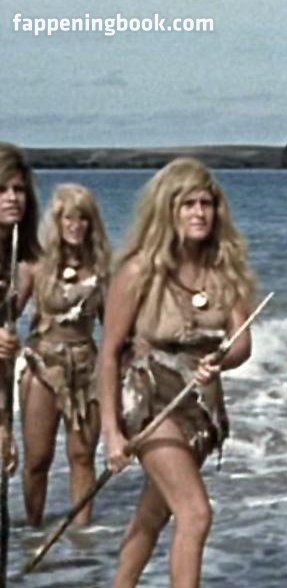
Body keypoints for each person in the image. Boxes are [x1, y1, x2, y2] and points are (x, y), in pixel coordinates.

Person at [100, 157, 256, 587]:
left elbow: (242, 341)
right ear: (167, 210)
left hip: (200, 406)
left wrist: (221, 360)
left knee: (155, 512)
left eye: (206, 203)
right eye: (187, 204)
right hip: (149, 399)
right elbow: (109, 353)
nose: (199, 213)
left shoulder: (224, 271)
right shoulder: (138, 272)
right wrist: (111, 432)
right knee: (196, 513)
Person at [19, 183, 109, 526]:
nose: (76, 225)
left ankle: (82, 538)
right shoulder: (35, 265)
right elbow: (9, 313)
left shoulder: (102, 269)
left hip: (86, 368)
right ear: (56, 222)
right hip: (43, 367)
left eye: (83, 218)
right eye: (68, 218)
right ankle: (32, 532)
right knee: (37, 459)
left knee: (82, 456)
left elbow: (114, 327)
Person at [0, 142, 42, 474]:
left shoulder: (20, 264)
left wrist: (3, 427)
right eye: (1, 190)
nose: (12, 198)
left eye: (18, 189)